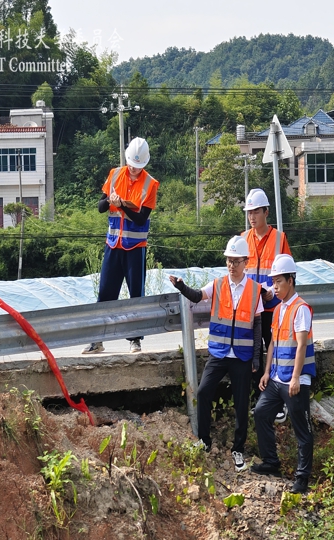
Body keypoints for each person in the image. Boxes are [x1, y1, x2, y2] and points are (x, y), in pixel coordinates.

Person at [168, 236, 263, 472]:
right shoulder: (218, 284)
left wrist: (256, 357)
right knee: (203, 391)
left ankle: (238, 449)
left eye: (236, 261)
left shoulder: (254, 290)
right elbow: (197, 296)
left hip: (241, 355)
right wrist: (181, 286)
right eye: (229, 261)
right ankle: (204, 442)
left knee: (241, 404)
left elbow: (258, 324)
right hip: (219, 353)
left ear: (245, 262)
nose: (231, 265)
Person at [82, 137, 159, 354]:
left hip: (135, 247)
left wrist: (122, 206)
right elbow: (100, 206)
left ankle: (135, 339)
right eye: (132, 166)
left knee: (136, 294)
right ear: (127, 161)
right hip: (113, 244)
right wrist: (109, 201)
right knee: (106, 291)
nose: (134, 170)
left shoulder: (150, 184)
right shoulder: (115, 174)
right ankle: (97, 340)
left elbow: (142, 218)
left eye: (138, 167)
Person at [251, 254, 315, 494]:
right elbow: (274, 345)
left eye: (279, 282)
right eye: (273, 282)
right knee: (260, 413)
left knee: (303, 430)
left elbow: (300, 345)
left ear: (291, 280)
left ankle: (302, 478)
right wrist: (267, 373)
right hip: (277, 378)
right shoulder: (278, 310)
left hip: (295, 381)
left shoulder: (301, 309)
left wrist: (297, 377)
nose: (274, 287)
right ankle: (271, 462)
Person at [242, 188, 292, 423]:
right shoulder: (243, 239)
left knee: (277, 355)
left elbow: (289, 274)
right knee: (255, 359)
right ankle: (261, 401)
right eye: (249, 212)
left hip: (273, 308)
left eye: (256, 212)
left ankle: (281, 403)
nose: (252, 217)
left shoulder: (279, 239)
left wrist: (273, 290)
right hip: (252, 310)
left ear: (266, 212)